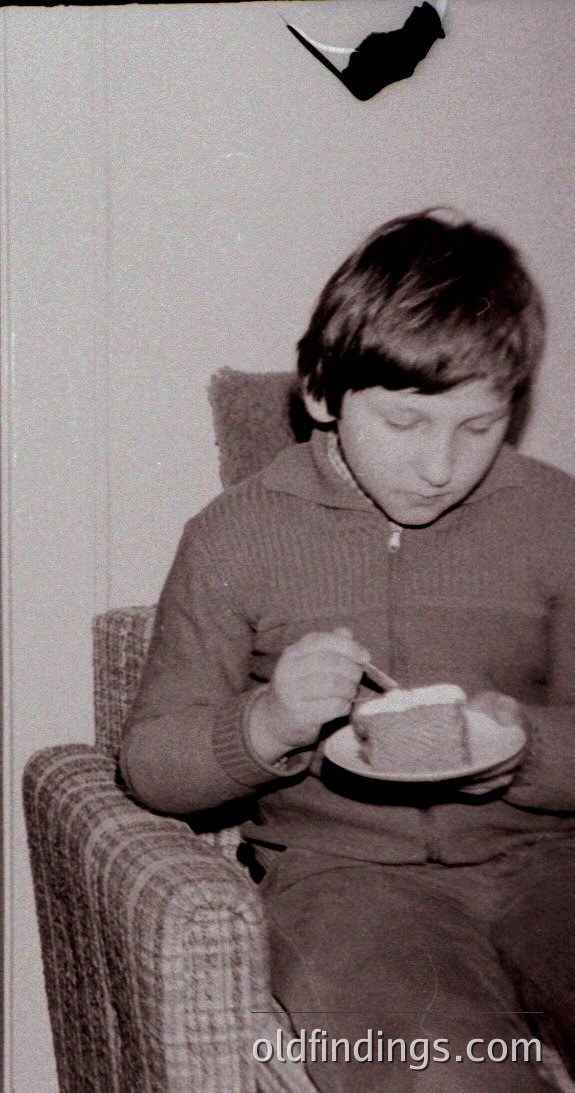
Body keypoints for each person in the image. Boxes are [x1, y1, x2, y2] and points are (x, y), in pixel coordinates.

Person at [121, 210, 575, 1091]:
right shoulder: (232, 536)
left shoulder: (557, 519)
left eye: (478, 427)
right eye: (405, 425)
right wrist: (267, 722)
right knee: (448, 1075)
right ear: (323, 393)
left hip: (552, 865)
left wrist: (527, 745)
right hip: (341, 887)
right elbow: (148, 762)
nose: (441, 466)